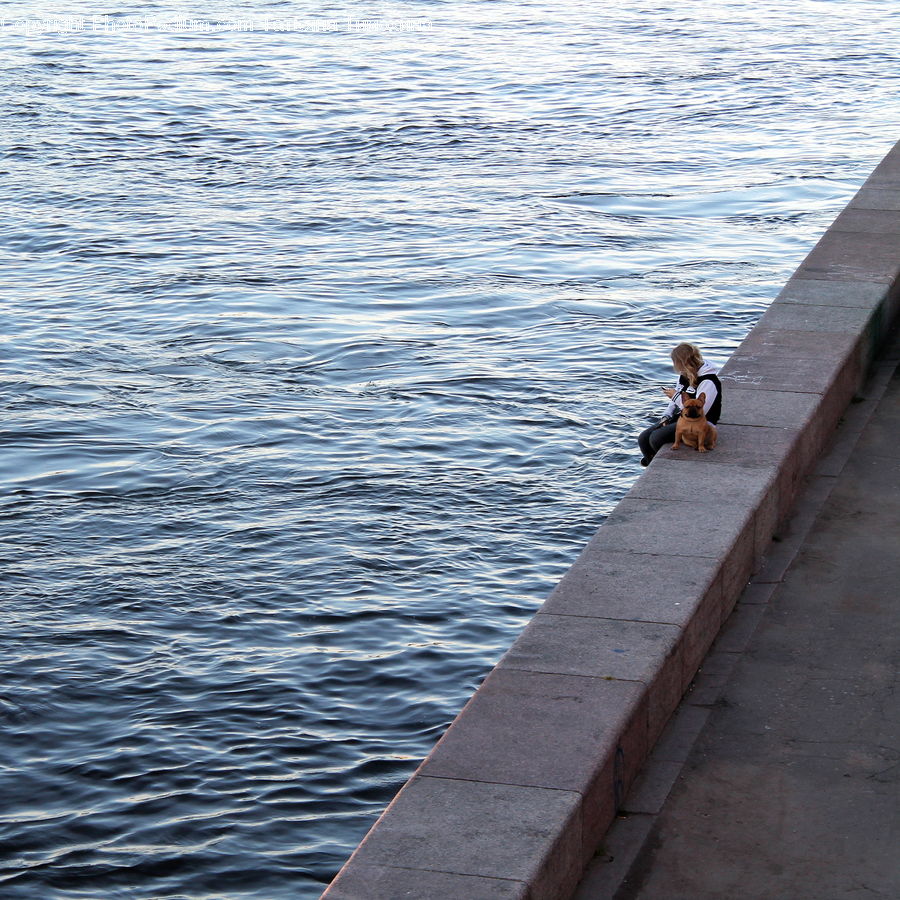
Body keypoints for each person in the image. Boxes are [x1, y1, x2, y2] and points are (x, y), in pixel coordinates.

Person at [638, 342, 722, 466]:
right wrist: (666, 416)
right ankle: (651, 464)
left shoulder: (708, 381)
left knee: (656, 438)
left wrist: (675, 396)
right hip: (683, 417)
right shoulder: (684, 376)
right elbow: (675, 401)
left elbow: (701, 410)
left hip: (702, 421)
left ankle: (662, 465)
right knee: (643, 438)